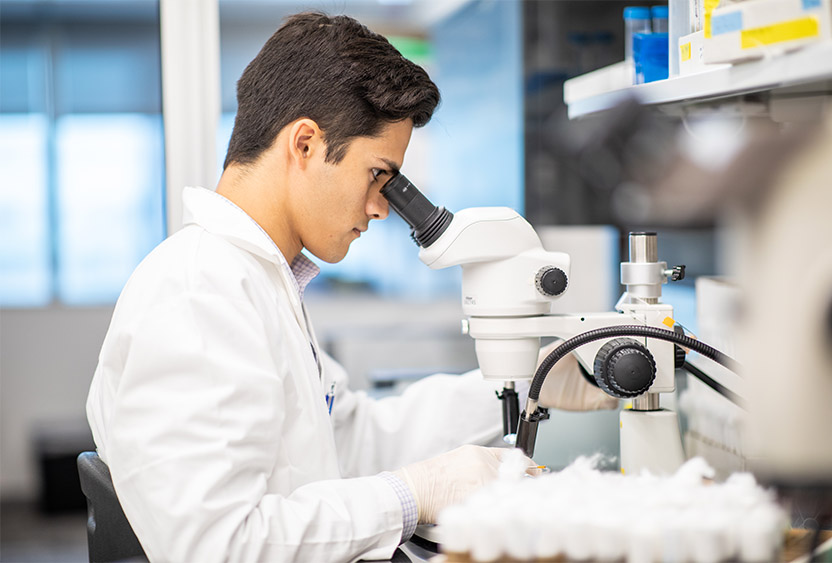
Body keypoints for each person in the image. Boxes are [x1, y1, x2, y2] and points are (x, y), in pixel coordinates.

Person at [86, 12, 615, 562]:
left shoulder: (256, 281)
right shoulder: (196, 292)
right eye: (377, 174)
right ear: (306, 144)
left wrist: (528, 382)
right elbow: (219, 545)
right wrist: (414, 493)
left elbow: (350, 438)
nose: (383, 207)